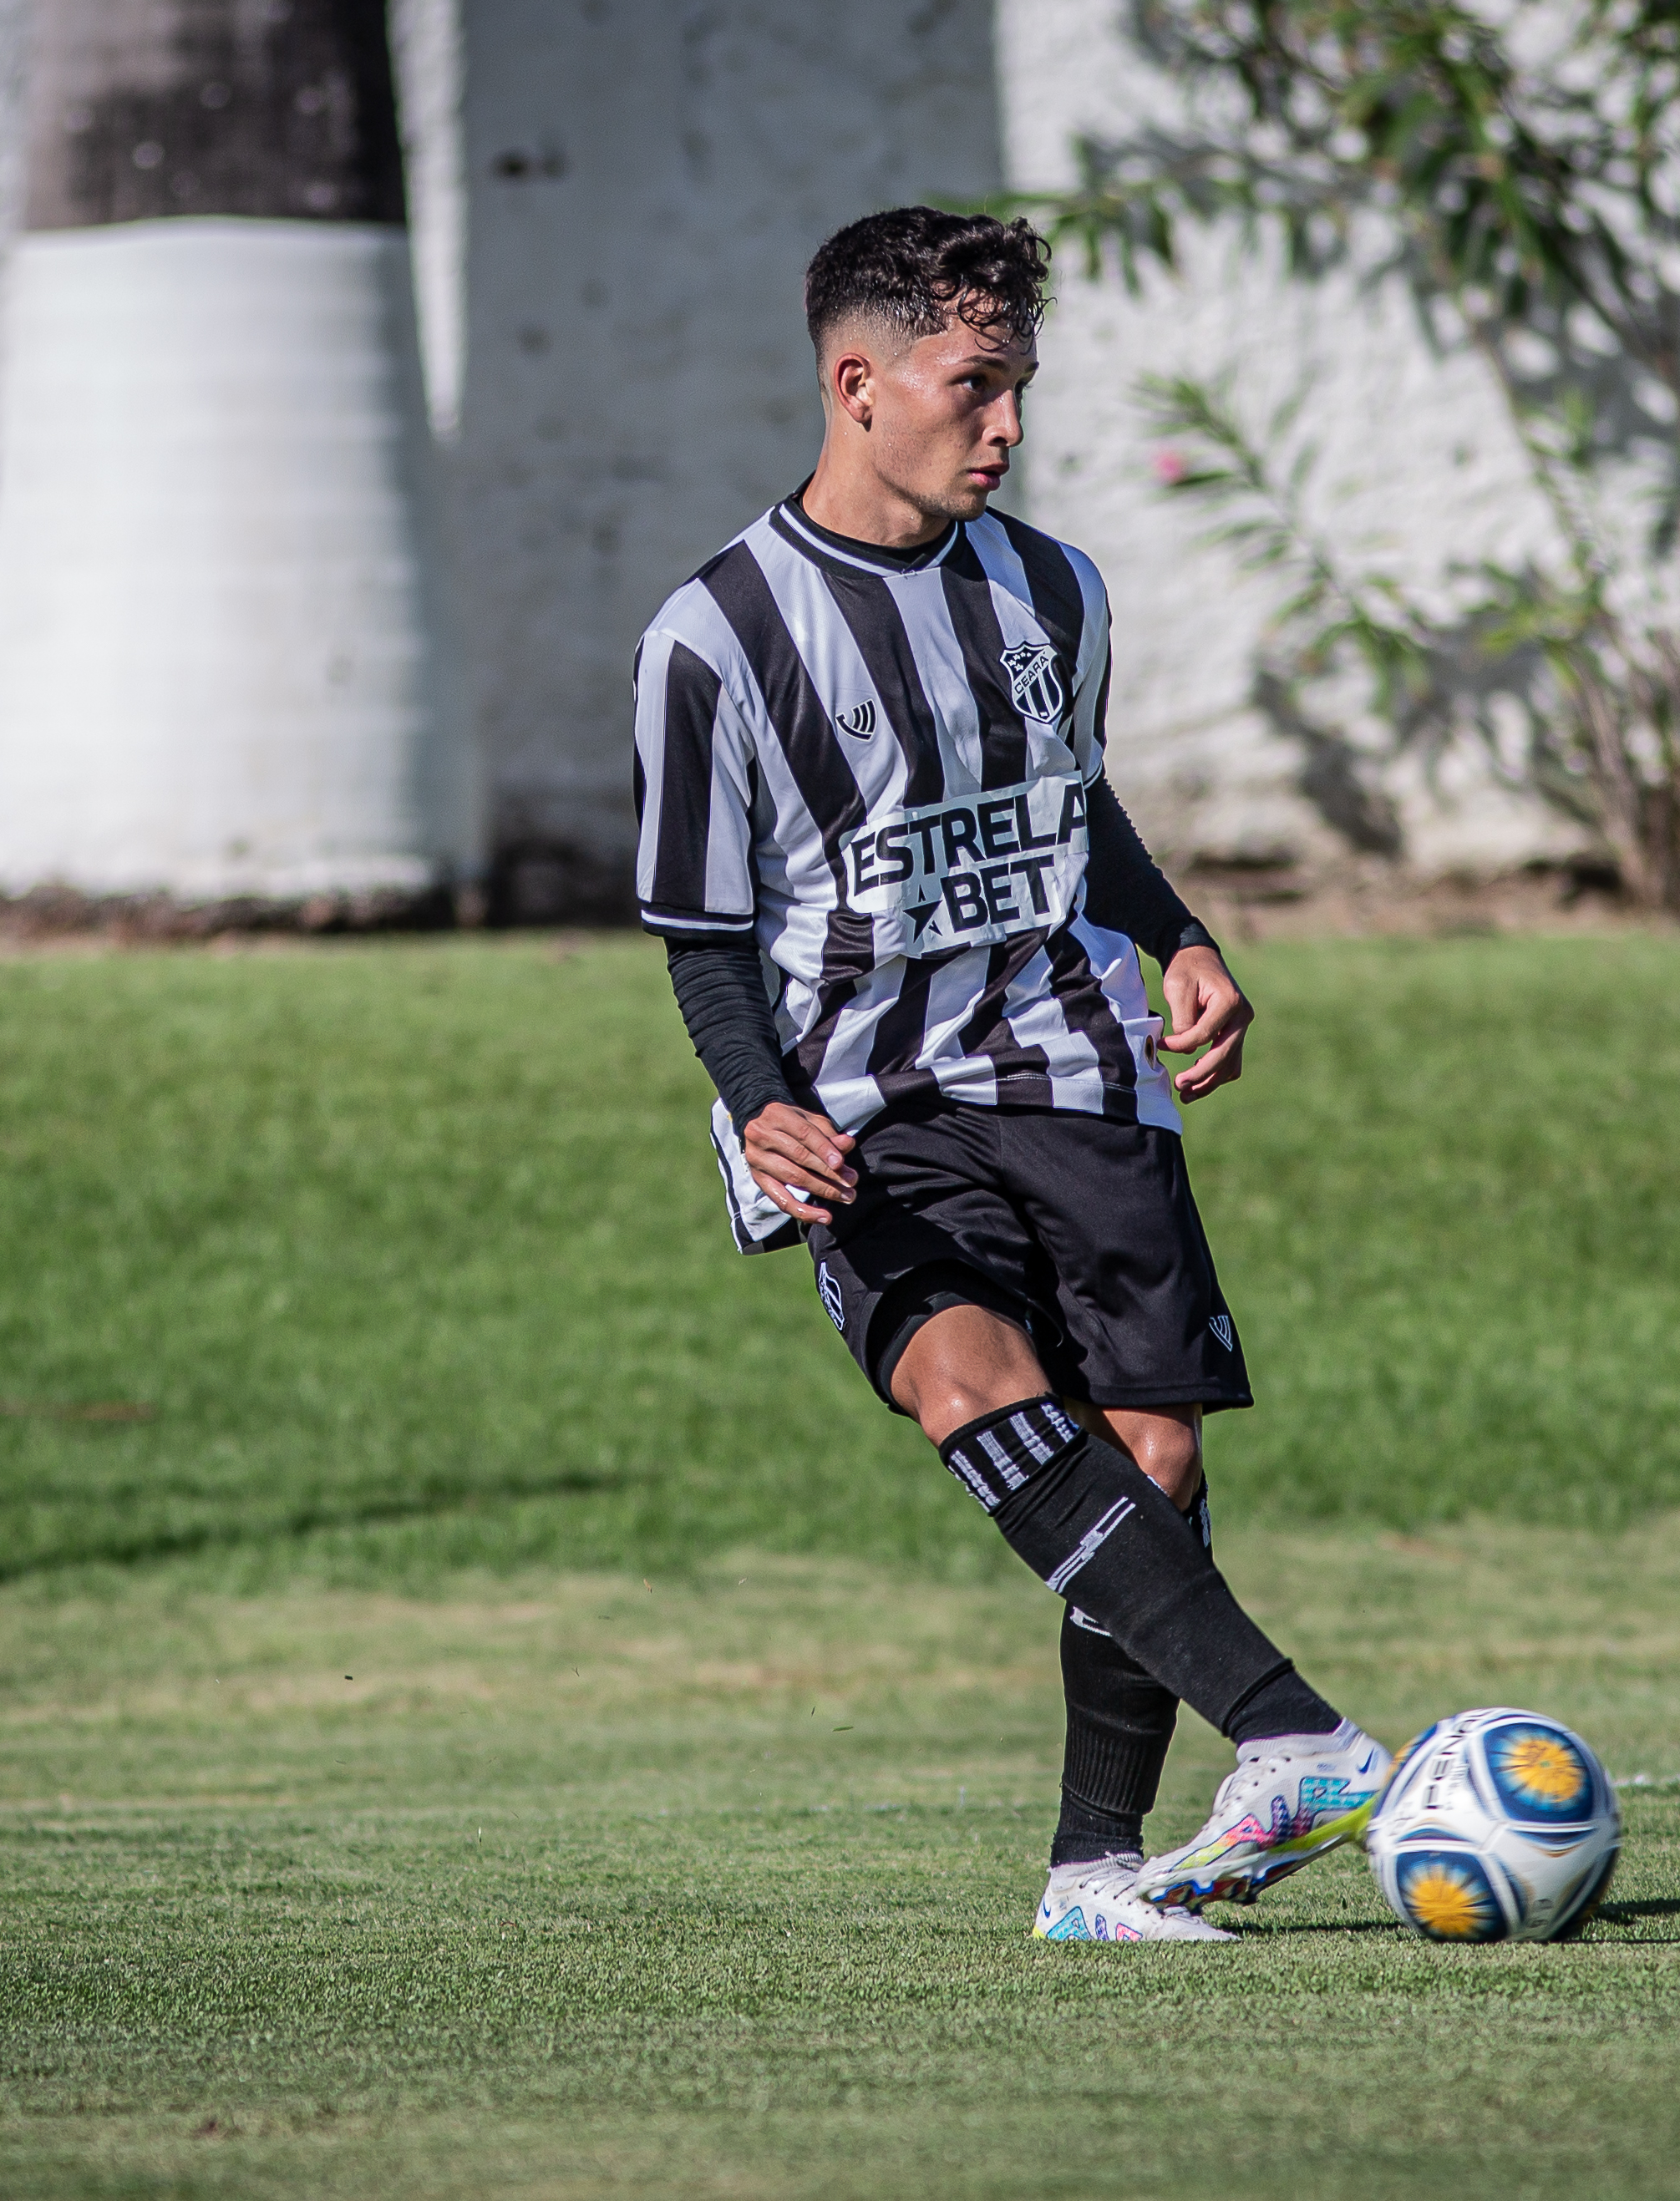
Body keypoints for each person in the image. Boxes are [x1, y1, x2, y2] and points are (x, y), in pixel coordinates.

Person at [631, 206, 1388, 1942]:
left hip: (1069, 1062)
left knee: (1152, 1456)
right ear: (859, 383)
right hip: (864, 1104)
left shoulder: (1054, 589)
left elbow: (1077, 815)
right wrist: (760, 1099)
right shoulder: (716, 638)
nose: (1009, 426)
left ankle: (1096, 1874)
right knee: (967, 1383)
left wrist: (1182, 937)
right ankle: (1294, 1736)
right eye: (977, 385)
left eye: (1020, 386)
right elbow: (702, 933)